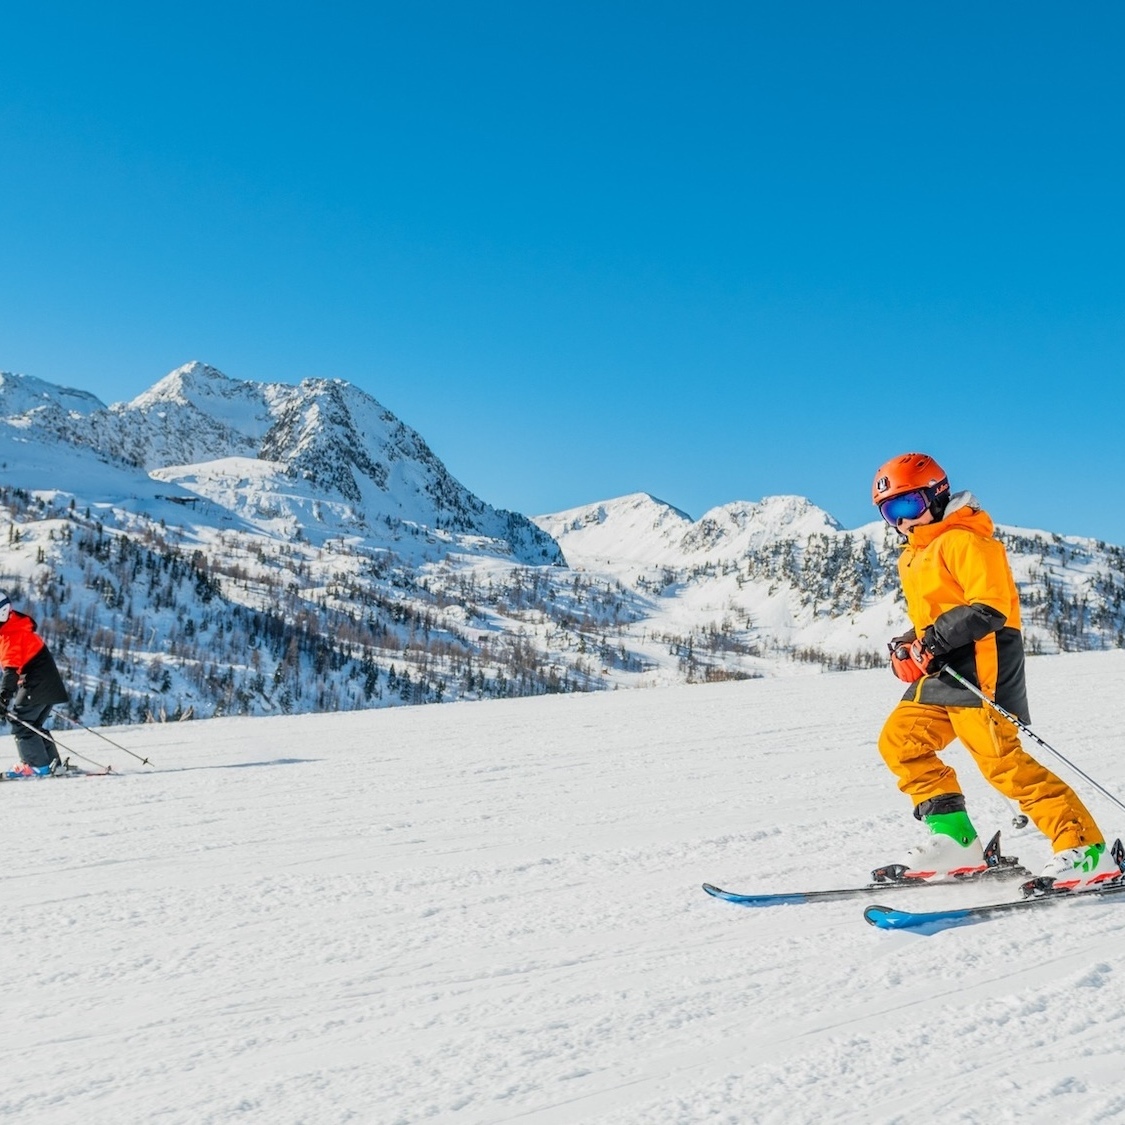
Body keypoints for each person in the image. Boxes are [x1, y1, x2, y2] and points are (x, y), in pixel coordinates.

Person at [872, 453, 1119, 891]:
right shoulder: (915, 555)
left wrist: (930, 642)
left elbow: (990, 607)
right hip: (945, 669)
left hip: (982, 666)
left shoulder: (967, 540)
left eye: (908, 506)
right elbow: (939, 613)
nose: (901, 522)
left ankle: (1087, 850)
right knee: (900, 741)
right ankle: (956, 840)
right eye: (891, 512)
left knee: (1003, 765)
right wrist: (908, 643)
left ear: (936, 494)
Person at [0, 590, 69, 776]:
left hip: (38, 682)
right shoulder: (14, 625)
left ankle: (36, 765)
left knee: (21, 723)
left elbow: (10, 671)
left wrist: (3, 697)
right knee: (31, 724)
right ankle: (52, 764)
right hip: (45, 681)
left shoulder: (10, 635)